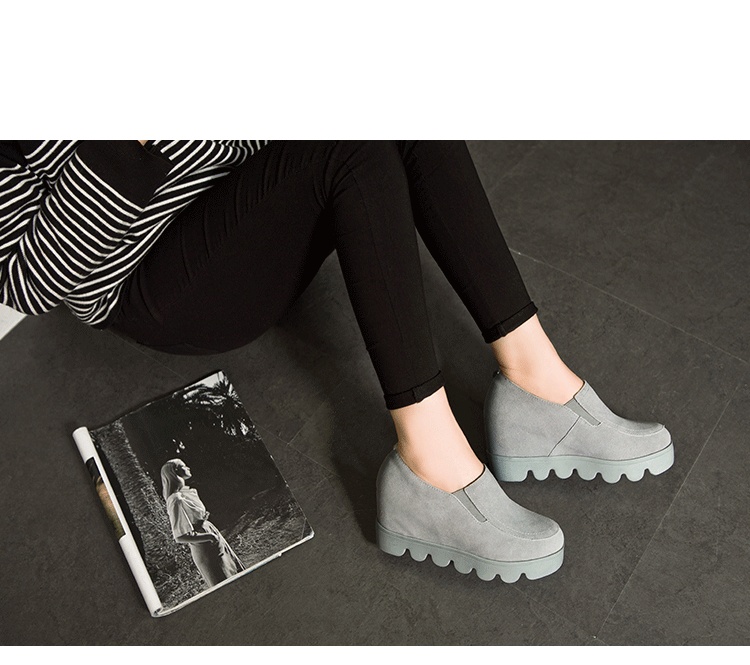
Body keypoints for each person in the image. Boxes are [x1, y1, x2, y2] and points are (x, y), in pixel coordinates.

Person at [0, 140, 673, 583]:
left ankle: (536, 381)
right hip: (154, 280)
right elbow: (29, 281)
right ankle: (430, 467)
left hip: (244, 211)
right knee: (351, 150)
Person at [161, 458, 245, 587]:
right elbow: (180, 537)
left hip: (211, 534)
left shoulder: (184, 493)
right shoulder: (176, 499)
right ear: (175, 471)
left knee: (235, 573)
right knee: (224, 582)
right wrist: (209, 537)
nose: (188, 468)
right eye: (184, 466)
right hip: (204, 546)